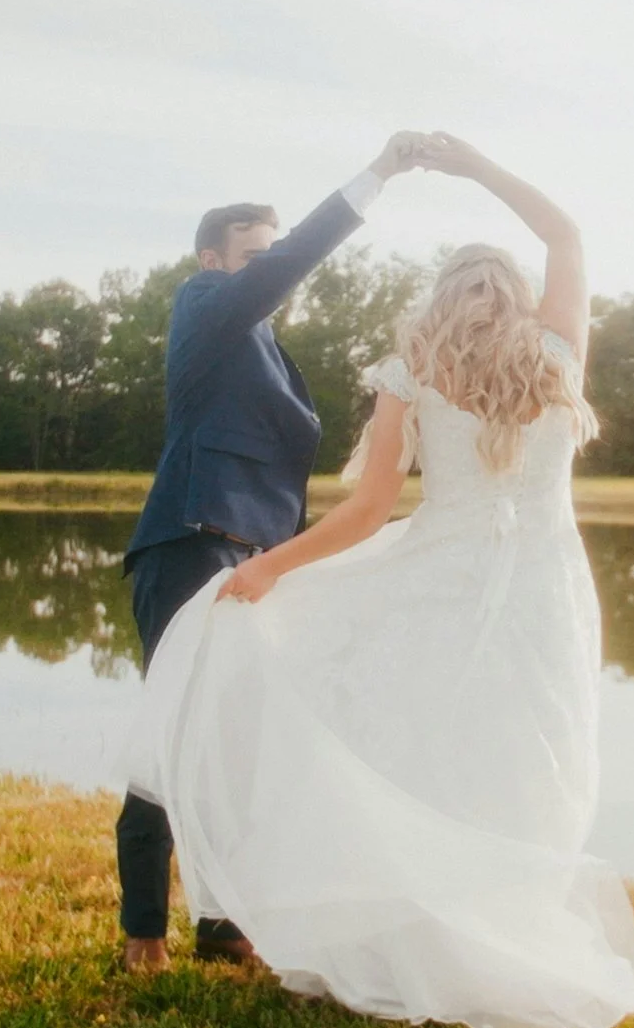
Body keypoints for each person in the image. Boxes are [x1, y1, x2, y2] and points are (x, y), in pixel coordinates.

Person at [122, 133, 634, 1028]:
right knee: (529, 757)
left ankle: (391, 935)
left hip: (443, 576)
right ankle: (495, 931)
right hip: (547, 589)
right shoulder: (561, 356)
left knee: (415, 747)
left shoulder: (416, 369)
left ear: (442, 302)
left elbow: (368, 512)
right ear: (521, 298)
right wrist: (479, 168)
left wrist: (268, 568)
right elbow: (566, 234)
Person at [115, 132, 428, 974]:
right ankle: (143, 929)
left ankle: (224, 925)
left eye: (271, 252)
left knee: (243, 744)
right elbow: (289, 263)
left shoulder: (264, 345)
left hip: (261, 562)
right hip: (192, 545)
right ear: (214, 260)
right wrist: (377, 177)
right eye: (255, 252)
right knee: (172, 734)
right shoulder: (204, 307)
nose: (271, 265)